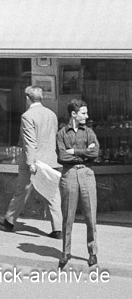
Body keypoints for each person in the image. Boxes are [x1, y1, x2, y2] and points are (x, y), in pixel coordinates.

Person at [0, 86, 62, 238]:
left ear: (27, 98)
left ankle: (10, 220)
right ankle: (57, 228)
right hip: (51, 159)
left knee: (23, 190)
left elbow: (30, 141)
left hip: (34, 161)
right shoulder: (51, 114)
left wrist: (31, 162)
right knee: (52, 193)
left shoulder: (28, 116)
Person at [56, 99, 99, 269]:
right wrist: (84, 153)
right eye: (83, 113)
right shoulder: (62, 134)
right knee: (68, 216)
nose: (87, 116)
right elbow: (62, 156)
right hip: (69, 174)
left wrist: (75, 152)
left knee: (91, 216)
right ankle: (65, 252)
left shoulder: (89, 132)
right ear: (73, 114)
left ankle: (92, 252)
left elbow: (95, 152)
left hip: (87, 173)